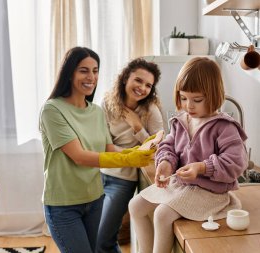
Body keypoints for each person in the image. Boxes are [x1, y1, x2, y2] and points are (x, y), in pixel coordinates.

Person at [39, 47, 155, 253]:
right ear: (69, 72)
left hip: (94, 199)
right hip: (64, 205)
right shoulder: (52, 110)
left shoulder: (95, 111)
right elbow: (80, 157)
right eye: (84, 70)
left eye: (95, 70)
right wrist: (131, 159)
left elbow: (108, 148)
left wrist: (135, 153)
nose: (91, 77)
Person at [128, 57, 248, 253]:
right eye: (183, 98)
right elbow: (169, 146)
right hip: (182, 186)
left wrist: (202, 167)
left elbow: (236, 162)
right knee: (135, 206)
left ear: (214, 95)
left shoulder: (224, 126)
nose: (189, 106)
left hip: (210, 193)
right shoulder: (181, 120)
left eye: (197, 100)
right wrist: (165, 162)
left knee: (162, 215)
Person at [97, 58, 164, 253]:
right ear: (126, 77)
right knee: (98, 237)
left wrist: (137, 126)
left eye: (148, 85)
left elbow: (159, 150)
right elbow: (103, 144)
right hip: (100, 174)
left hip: (123, 180)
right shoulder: (107, 103)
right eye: (138, 80)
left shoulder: (150, 110)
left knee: (103, 240)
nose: (142, 88)